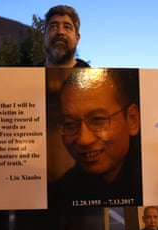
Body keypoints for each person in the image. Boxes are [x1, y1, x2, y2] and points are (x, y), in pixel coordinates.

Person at [14, 6, 110, 230]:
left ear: (77, 38)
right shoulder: (18, 84)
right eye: (53, 26)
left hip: (89, 196)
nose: (60, 31)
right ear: (44, 36)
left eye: (67, 27)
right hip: (35, 199)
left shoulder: (102, 83)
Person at [52, 68, 142, 206]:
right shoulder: (60, 194)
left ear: (132, 120)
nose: (83, 140)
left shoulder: (155, 181)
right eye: (69, 124)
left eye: (98, 120)